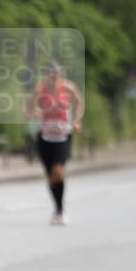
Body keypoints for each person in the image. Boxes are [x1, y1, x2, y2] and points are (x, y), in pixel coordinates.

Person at [27, 61, 84, 225]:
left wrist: (76, 120)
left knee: (58, 171)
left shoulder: (68, 87)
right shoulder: (40, 89)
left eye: (56, 74)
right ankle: (57, 209)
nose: (53, 77)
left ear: (60, 74)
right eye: (50, 74)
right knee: (51, 177)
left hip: (63, 137)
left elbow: (79, 103)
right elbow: (29, 109)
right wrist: (39, 117)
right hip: (45, 138)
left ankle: (60, 210)